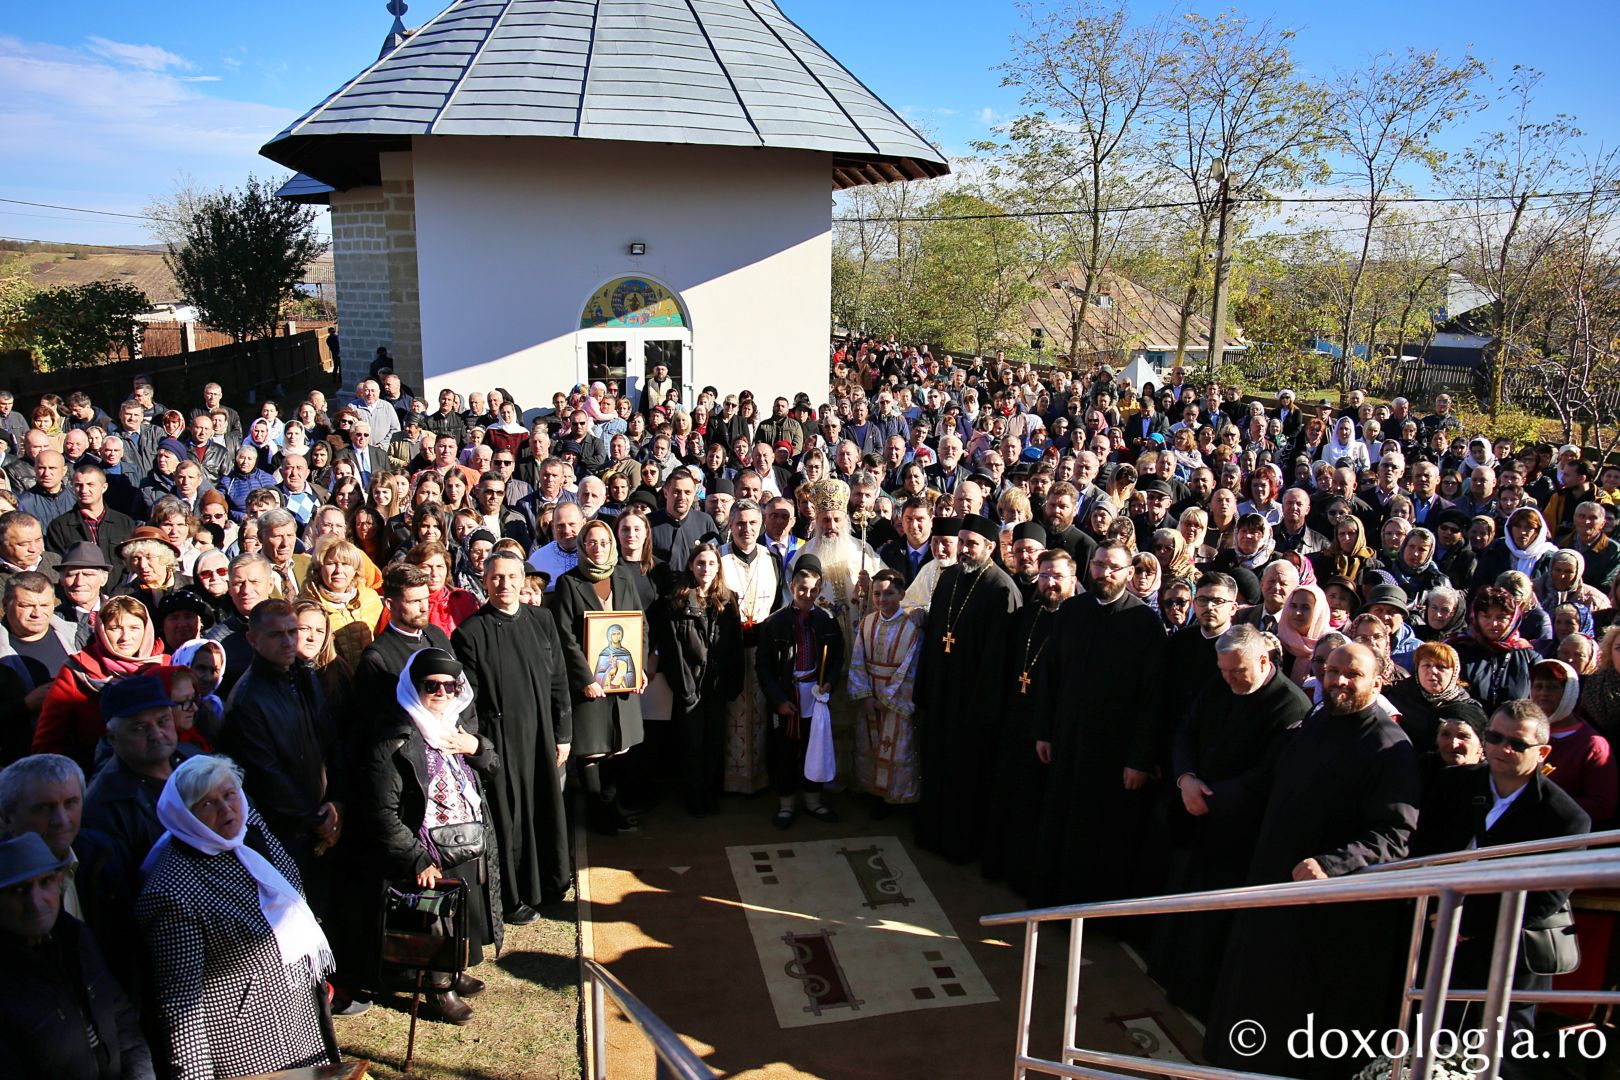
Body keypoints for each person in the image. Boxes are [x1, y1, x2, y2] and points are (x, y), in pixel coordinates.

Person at [1205, 643, 1421, 1078]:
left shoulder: (1390, 747)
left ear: (1377, 683)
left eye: (1352, 674)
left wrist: (1334, 863)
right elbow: (1268, 780)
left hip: (1321, 901)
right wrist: (1204, 791)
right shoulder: (1319, 720)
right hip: (1273, 876)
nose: (1338, 680)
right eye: (1332, 670)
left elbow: (1394, 835)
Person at [1410, 700, 1591, 1066]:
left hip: (1510, 954)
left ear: (1543, 752)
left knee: (1501, 1057)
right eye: (1494, 737)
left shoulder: (1567, 818)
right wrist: (1438, 911)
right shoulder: (1452, 784)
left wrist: (1470, 922)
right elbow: (1423, 850)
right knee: (1426, 1047)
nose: (1502, 749)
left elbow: (1548, 896)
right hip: (1438, 934)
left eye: (1518, 744)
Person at [137, 754, 338, 1079]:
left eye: (229, 794)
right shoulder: (171, 891)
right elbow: (181, 1009)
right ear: (183, 816)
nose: (227, 809)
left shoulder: (250, 829)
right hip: (248, 1047)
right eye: (206, 804)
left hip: (300, 1018)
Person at [1153, 624, 1313, 1017]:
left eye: (1237, 672)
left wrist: (1209, 799)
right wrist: (1185, 778)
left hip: (1239, 830)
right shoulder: (1220, 683)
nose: (1229, 679)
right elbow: (1186, 731)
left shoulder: (1290, 707)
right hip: (1197, 813)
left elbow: (1267, 775)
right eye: (1224, 671)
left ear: (1263, 661)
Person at [365, 649, 502, 1025]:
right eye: (431, 686)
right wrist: (416, 858)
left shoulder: (455, 726)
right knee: (435, 918)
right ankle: (439, 988)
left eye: (450, 686)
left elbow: (491, 769)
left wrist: (478, 748)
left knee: (462, 913)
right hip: (426, 848)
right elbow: (382, 812)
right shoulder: (395, 737)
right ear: (413, 686)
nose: (442, 693)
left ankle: (454, 969)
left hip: (463, 838)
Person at [1032, 539, 1165, 903]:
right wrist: (1045, 732)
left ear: (1128, 573)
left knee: (1100, 832)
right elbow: (1051, 677)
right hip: (1068, 739)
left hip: (1113, 751)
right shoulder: (1073, 610)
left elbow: (1152, 700)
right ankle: (1052, 899)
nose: (1104, 574)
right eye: (1099, 565)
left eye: (1113, 568)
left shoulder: (1144, 623)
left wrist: (1139, 759)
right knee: (1061, 820)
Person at [452, 553, 573, 921]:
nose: (504, 584)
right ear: (485, 582)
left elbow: (558, 680)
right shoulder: (470, 633)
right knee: (511, 818)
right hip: (501, 740)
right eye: (496, 578)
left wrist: (562, 733)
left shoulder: (542, 619)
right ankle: (513, 896)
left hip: (541, 735)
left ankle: (552, 882)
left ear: (523, 580)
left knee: (545, 806)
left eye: (511, 577)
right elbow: (469, 700)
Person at [217, 599, 343, 918]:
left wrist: (338, 804)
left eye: (292, 632)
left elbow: (328, 741)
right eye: (276, 635)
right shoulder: (247, 699)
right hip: (284, 833)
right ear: (253, 640)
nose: (288, 642)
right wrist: (317, 821)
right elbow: (266, 777)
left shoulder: (303, 675)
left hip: (321, 818)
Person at [0, 831, 154, 1080]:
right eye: (18, 890)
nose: (36, 902)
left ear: (60, 881)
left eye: (46, 882)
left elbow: (122, 1019)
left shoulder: (76, 938)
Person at [913, 515, 1022, 863]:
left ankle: (961, 844)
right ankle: (931, 832)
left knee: (965, 777)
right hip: (942, 694)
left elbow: (998, 662)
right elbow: (934, 638)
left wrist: (981, 710)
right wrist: (925, 688)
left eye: (972, 544)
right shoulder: (949, 578)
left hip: (972, 705)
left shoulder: (1001, 589)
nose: (963, 549)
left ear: (990, 548)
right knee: (936, 765)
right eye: (962, 542)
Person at [547, 520, 648, 834]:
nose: (598, 548)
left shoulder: (624, 577)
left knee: (618, 747)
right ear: (582, 546)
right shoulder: (568, 583)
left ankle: (614, 806)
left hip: (623, 680)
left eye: (604, 542)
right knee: (592, 747)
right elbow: (565, 636)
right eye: (591, 542)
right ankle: (596, 813)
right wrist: (586, 678)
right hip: (590, 683)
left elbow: (639, 626)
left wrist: (639, 665)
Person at [650, 542, 744, 817]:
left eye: (711, 563)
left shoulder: (729, 599)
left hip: (715, 685)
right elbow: (673, 649)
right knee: (692, 744)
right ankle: (693, 795)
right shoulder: (677, 601)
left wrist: (731, 683)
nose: (706, 568)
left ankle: (710, 793)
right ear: (691, 565)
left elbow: (735, 646)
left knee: (714, 742)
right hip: (690, 685)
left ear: (718, 568)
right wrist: (685, 687)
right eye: (700, 563)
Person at [755, 555, 844, 828]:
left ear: (820, 589)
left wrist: (829, 683)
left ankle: (814, 801)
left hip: (815, 697)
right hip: (787, 697)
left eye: (814, 590)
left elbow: (837, 658)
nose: (808, 594)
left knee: (812, 749)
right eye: (802, 588)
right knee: (785, 751)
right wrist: (779, 700)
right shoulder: (774, 624)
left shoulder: (827, 622)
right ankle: (786, 805)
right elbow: (764, 667)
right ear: (792, 587)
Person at [34, 595, 167, 770]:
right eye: (115, 628)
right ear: (101, 630)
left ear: (146, 629)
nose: (125, 637)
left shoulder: (166, 666)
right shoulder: (77, 671)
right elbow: (48, 741)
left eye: (134, 628)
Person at [81, 675, 200, 869]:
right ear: (112, 738)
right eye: (139, 728)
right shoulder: (105, 808)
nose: (156, 734)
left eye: (162, 721)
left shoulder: (195, 760)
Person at [720, 499, 783, 794]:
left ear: (761, 526)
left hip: (762, 651)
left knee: (761, 716)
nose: (747, 529)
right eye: (740, 523)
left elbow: (780, 607)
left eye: (752, 523)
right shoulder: (718, 560)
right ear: (730, 525)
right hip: (728, 652)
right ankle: (728, 780)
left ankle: (760, 777)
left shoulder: (771, 559)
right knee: (730, 717)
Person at [847, 566, 922, 810]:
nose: (882, 599)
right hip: (870, 695)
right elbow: (857, 660)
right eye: (877, 594)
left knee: (897, 750)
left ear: (901, 595)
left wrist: (887, 699)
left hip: (896, 699)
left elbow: (910, 668)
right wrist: (866, 696)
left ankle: (895, 798)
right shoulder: (867, 623)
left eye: (889, 593)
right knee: (869, 746)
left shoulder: (912, 626)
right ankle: (873, 793)